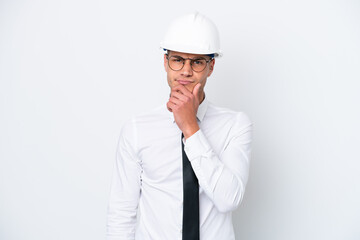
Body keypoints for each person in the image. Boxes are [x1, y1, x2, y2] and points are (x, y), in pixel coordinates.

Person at [107, 12, 252, 240]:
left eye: (197, 62)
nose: (186, 70)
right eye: (177, 60)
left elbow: (228, 199)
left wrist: (190, 128)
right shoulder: (137, 129)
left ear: (210, 67)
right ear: (166, 62)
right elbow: (121, 214)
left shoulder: (235, 125)